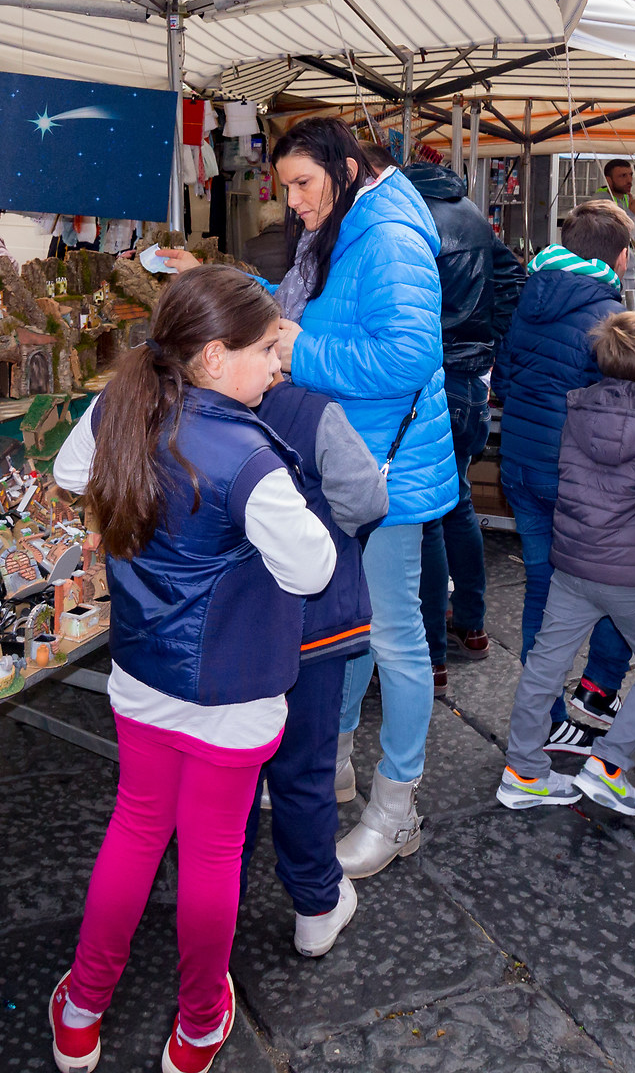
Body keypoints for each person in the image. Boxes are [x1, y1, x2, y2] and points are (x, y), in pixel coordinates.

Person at [47, 266, 335, 1073]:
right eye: (269, 350)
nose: (281, 365)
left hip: (142, 672)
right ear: (213, 356)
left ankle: (81, 1010)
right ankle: (200, 1024)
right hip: (233, 690)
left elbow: (73, 475)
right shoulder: (248, 459)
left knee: (136, 830)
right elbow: (311, 570)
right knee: (212, 853)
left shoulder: (126, 400)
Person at [179, 118, 450, 881]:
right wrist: (242, 291)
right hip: (346, 462)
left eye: (302, 183)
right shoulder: (345, 223)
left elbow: (408, 356)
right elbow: (317, 306)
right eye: (285, 186)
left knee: (393, 637)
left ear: (349, 167)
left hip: (387, 475)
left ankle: (398, 810)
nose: (292, 200)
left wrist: (299, 350)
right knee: (346, 622)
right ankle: (330, 766)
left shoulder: (389, 237)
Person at [497, 311, 635, 817]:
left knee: (546, 661)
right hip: (634, 573)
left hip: (574, 562)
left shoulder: (577, 410)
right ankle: (608, 764)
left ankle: (522, 770)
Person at [493, 201, 635, 750]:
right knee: (613, 588)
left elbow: (503, 377)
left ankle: (547, 713)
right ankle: (596, 691)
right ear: (619, 256)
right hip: (576, 477)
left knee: (541, 594)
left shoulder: (529, 296)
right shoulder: (605, 314)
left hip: (523, 468)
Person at [243, 381, 380, 957]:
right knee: (304, 770)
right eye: (271, 344)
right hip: (310, 625)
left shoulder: (170, 408)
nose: (282, 358)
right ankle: (316, 905)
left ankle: (216, 901)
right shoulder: (313, 412)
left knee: (231, 778)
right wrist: (333, 532)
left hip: (227, 633)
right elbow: (368, 497)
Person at [406, 161, 526, 683]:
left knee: (430, 515)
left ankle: (431, 653)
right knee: (455, 505)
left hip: (432, 379)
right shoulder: (472, 213)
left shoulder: (405, 216)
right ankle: (472, 625)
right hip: (470, 378)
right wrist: (485, 340)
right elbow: (514, 280)